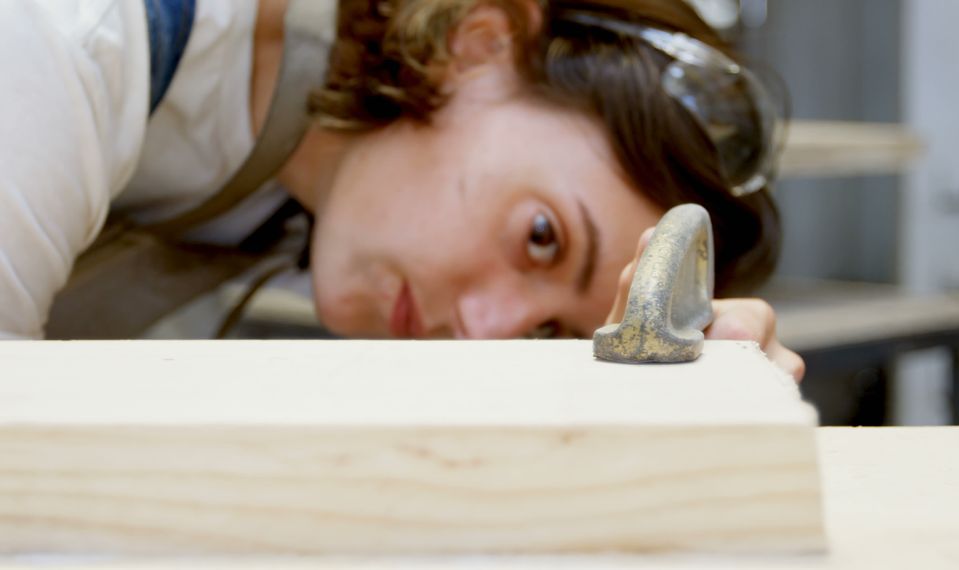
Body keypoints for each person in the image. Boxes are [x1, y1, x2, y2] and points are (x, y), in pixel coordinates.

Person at [0, 0, 804, 379]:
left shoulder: (276, 200)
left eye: (548, 332)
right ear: (477, 45)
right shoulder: (64, 37)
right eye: (540, 236)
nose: (485, 334)